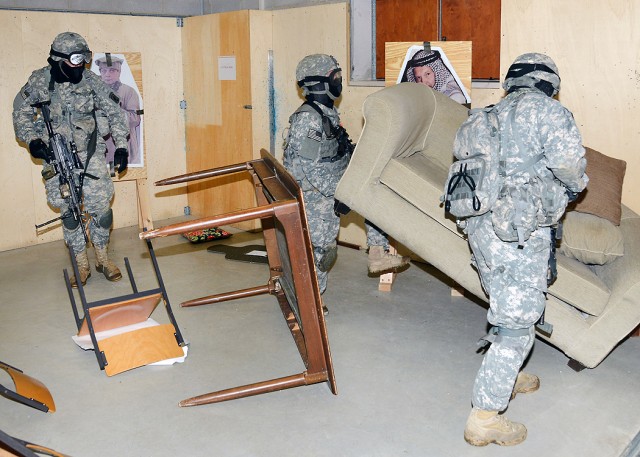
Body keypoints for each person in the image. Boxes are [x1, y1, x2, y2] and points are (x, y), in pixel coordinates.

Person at [462, 53, 588, 446]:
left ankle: (507, 376)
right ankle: (484, 417)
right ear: (548, 82)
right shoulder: (550, 113)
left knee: (506, 305)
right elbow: (571, 168)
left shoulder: (480, 117)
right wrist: (571, 186)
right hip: (519, 230)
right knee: (516, 325)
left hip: (478, 230)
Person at [283, 54, 408, 311]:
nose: (340, 82)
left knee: (375, 195)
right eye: (335, 77)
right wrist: (341, 194)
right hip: (314, 196)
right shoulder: (308, 119)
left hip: (331, 184)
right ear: (319, 83)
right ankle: (310, 302)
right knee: (321, 252)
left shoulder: (326, 112)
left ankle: (377, 253)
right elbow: (311, 169)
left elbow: (336, 152)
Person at [13, 32, 130, 287]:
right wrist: (32, 140)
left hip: (91, 155)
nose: (82, 65)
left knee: (102, 209)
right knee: (69, 212)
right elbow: (20, 112)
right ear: (59, 59)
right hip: (56, 157)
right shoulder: (39, 81)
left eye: (85, 58)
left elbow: (115, 112)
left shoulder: (91, 81)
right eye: (77, 59)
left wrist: (121, 145)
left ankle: (102, 257)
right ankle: (81, 263)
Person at [95, 54, 142, 166]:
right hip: (101, 149)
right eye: (103, 70)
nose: (107, 74)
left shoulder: (128, 92)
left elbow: (135, 119)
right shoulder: (92, 92)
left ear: (119, 72)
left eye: (112, 70)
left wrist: (113, 112)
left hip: (122, 147)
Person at [403, 49, 467, 104]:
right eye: (418, 77)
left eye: (427, 74)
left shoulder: (455, 97)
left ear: (438, 72)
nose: (423, 82)